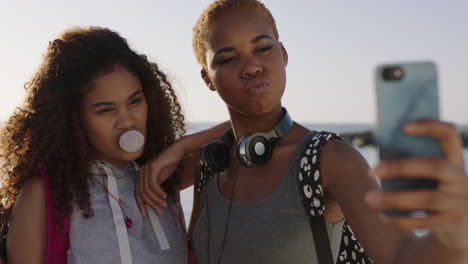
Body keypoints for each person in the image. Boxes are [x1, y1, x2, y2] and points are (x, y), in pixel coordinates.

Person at [136, 0, 468, 263]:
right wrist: (181, 147)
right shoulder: (211, 163)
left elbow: (401, 257)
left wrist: (455, 235)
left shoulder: (330, 159)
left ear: (283, 54)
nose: (251, 66)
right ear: (207, 78)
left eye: (263, 48)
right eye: (228, 57)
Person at [0, 26, 190, 263]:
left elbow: (243, 131)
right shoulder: (43, 194)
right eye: (106, 110)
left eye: (135, 101)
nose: (127, 120)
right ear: (73, 118)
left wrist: (181, 147)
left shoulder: (163, 174)